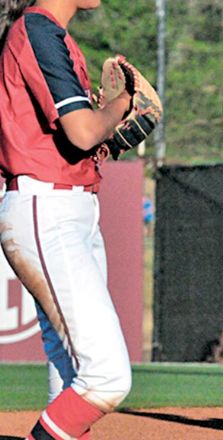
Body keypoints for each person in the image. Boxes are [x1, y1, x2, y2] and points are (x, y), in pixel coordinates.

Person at [0, 1, 134, 438]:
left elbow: (77, 141)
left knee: (74, 364)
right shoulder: (37, 29)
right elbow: (81, 130)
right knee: (107, 377)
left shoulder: (50, 33)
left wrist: (115, 128)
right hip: (47, 209)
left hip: (69, 207)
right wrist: (120, 105)